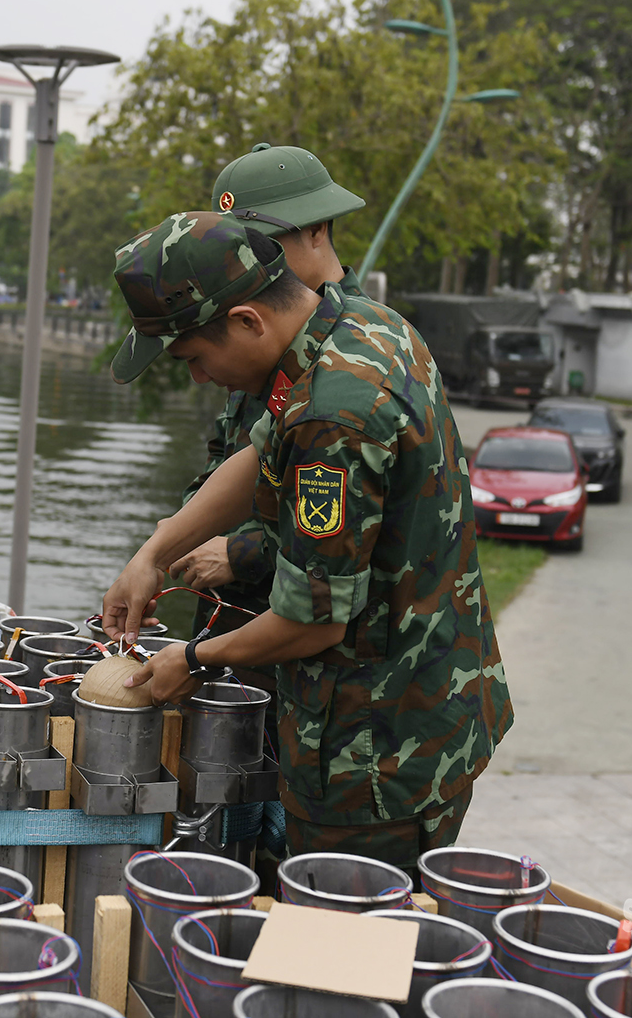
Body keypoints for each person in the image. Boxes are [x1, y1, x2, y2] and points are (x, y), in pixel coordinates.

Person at [101, 212, 511, 875]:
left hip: (376, 757)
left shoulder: (335, 415)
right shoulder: (360, 325)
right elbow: (262, 449)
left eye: (196, 359)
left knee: (346, 952)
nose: (201, 379)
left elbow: (312, 620)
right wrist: (152, 552)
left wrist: (196, 655)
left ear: (247, 321)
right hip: (432, 704)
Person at [168, 143, 367, 634]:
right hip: (234, 624)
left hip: (306, 647)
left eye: (260, 247)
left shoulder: (355, 361)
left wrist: (240, 552)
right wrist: (173, 539)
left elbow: (350, 528)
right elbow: (234, 454)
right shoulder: (257, 337)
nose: (241, 267)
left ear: (318, 229)